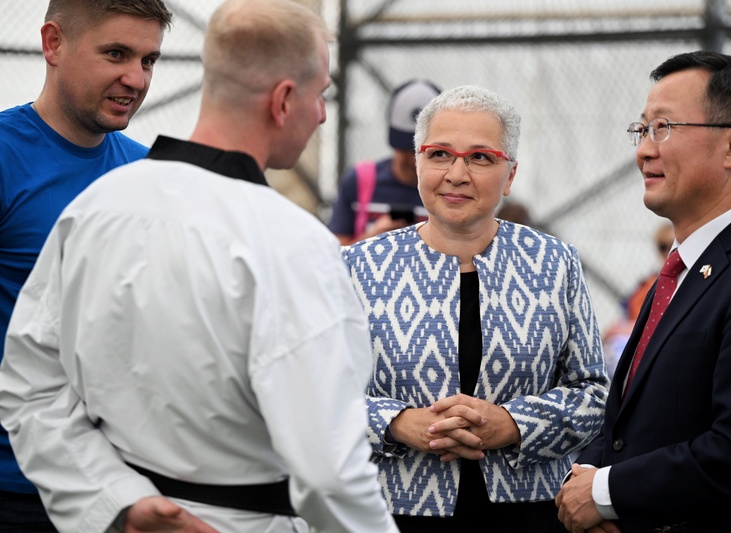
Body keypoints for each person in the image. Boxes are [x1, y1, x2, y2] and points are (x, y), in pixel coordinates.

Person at [0, 0, 399, 532]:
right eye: (319, 95)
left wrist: (116, 500)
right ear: (283, 100)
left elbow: (32, 383)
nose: (322, 114)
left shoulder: (96, 206)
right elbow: (331, 468)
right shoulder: (294, 243)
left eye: (148, 60)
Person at [341, 85, 608, 532]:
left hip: (529, 514)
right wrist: (398, 423)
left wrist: (513, 424)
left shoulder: (554, 263)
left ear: (510, 174)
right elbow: (317, 394)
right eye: (439, 154)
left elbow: (594, 395)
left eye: (481, 157)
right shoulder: (358, 266)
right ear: (418, 162)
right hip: (387, 513)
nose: (457, 174)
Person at [556, 50, 731, 533]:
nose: (644, 150)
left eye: (664, 128)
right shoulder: (680, 272)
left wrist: (606, 493)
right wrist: (583, 478)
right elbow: (627, 426)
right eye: (642, 129)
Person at [0, 0, 173, 530]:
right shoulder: (6, 156)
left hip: (120, 487)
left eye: (148, 60)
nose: (135, 78)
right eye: (116, 53)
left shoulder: (149, 173)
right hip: (14, 485)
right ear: (53, 43)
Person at [327, 79, 440, 245]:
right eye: (407, 148)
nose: (415, 159)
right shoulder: (360, 180)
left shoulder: (450, 188)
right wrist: (375, 237)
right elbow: (335, 253)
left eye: (424, 151)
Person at [601, 222, 674, 378]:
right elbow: (626, 315)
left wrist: (626, 329)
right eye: (663, 247)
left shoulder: (686, 283)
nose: (668, 251)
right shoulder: (646, 284)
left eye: (672, 245)